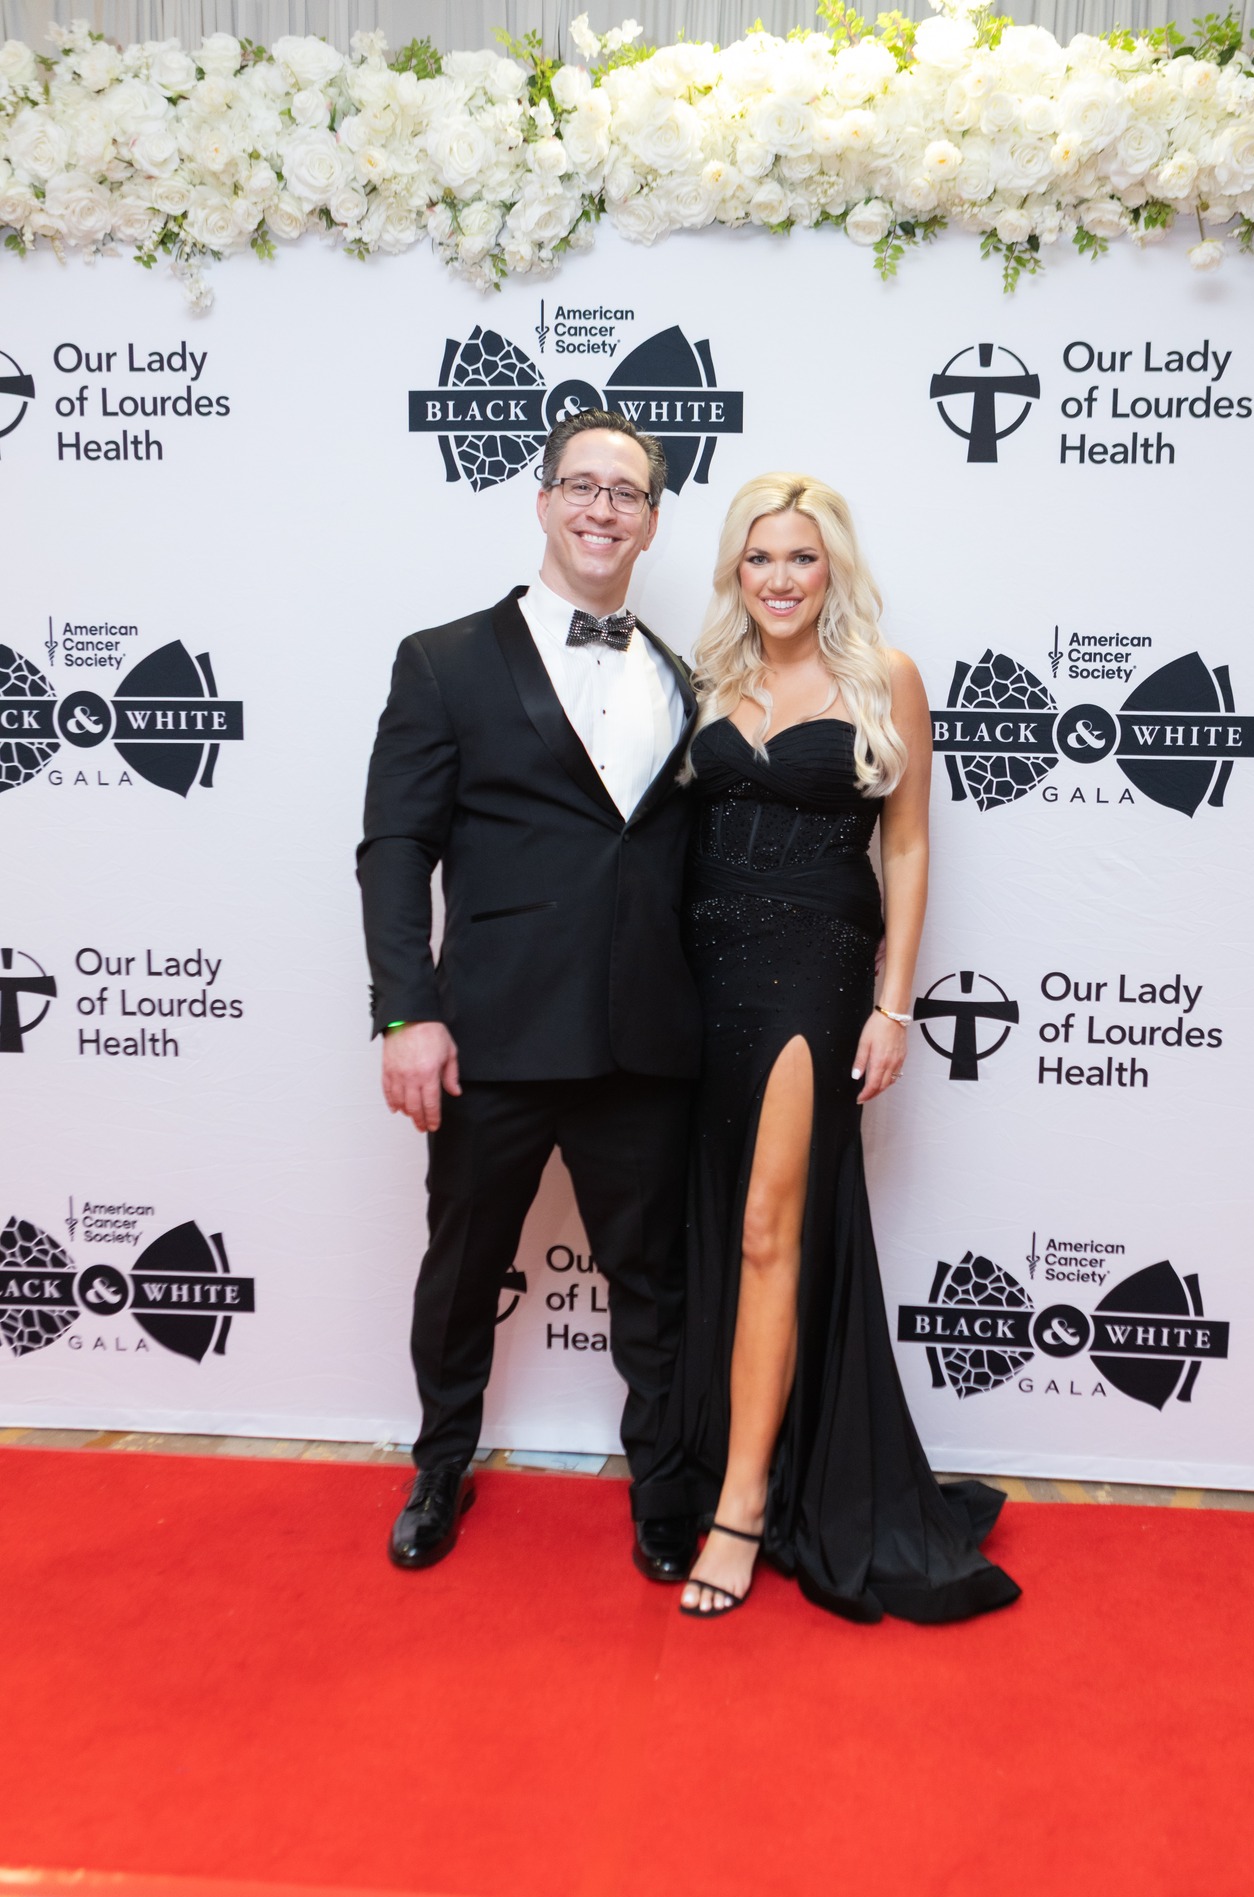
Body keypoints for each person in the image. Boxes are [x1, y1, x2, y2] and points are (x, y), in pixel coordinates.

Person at [662, 474, 1022, 1622]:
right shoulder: (703, 680)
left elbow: (907, 846)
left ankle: (742, 1506)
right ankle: (735, 1454)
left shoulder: (886, 676)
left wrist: (892, 1005)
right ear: (735, 569)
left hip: (812, 972)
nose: (780, 578)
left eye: (802, 557)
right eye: (760, 556)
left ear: (835, 569)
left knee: (769, 1228)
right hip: (700, 978)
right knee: (715, 1228)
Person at [357, 409, 702, 1583]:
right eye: (583, 485)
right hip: (490, 1034)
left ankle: (665, 1486)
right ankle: (440, 1463)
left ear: (652, 522)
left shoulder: (683, 678)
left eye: (628, 491)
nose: (604, 507)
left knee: (652, 1282)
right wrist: (406, 1011)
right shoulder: (444, 658)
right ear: (544, 500)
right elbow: (395, 847)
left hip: (642, 1039)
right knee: (463, 1269)